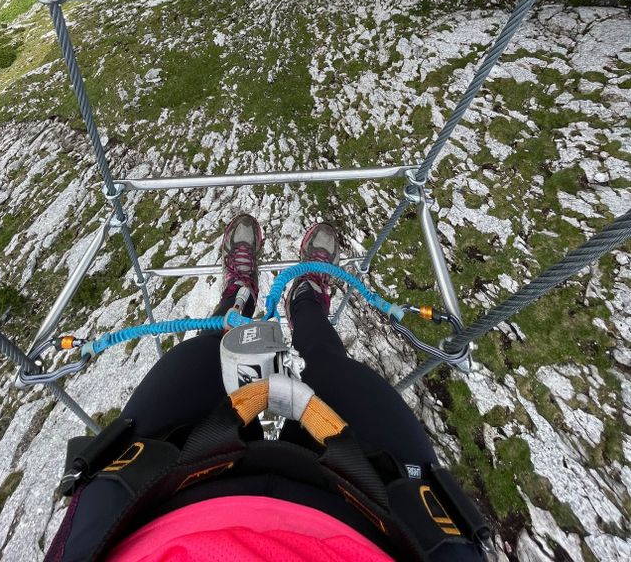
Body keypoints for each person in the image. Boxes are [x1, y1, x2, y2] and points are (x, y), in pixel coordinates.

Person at [46, 215, 491, 562]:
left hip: (153, 502)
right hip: (379, 513)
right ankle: (306, 300)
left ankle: (241, 295)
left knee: (203, 353)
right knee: (328, 365)